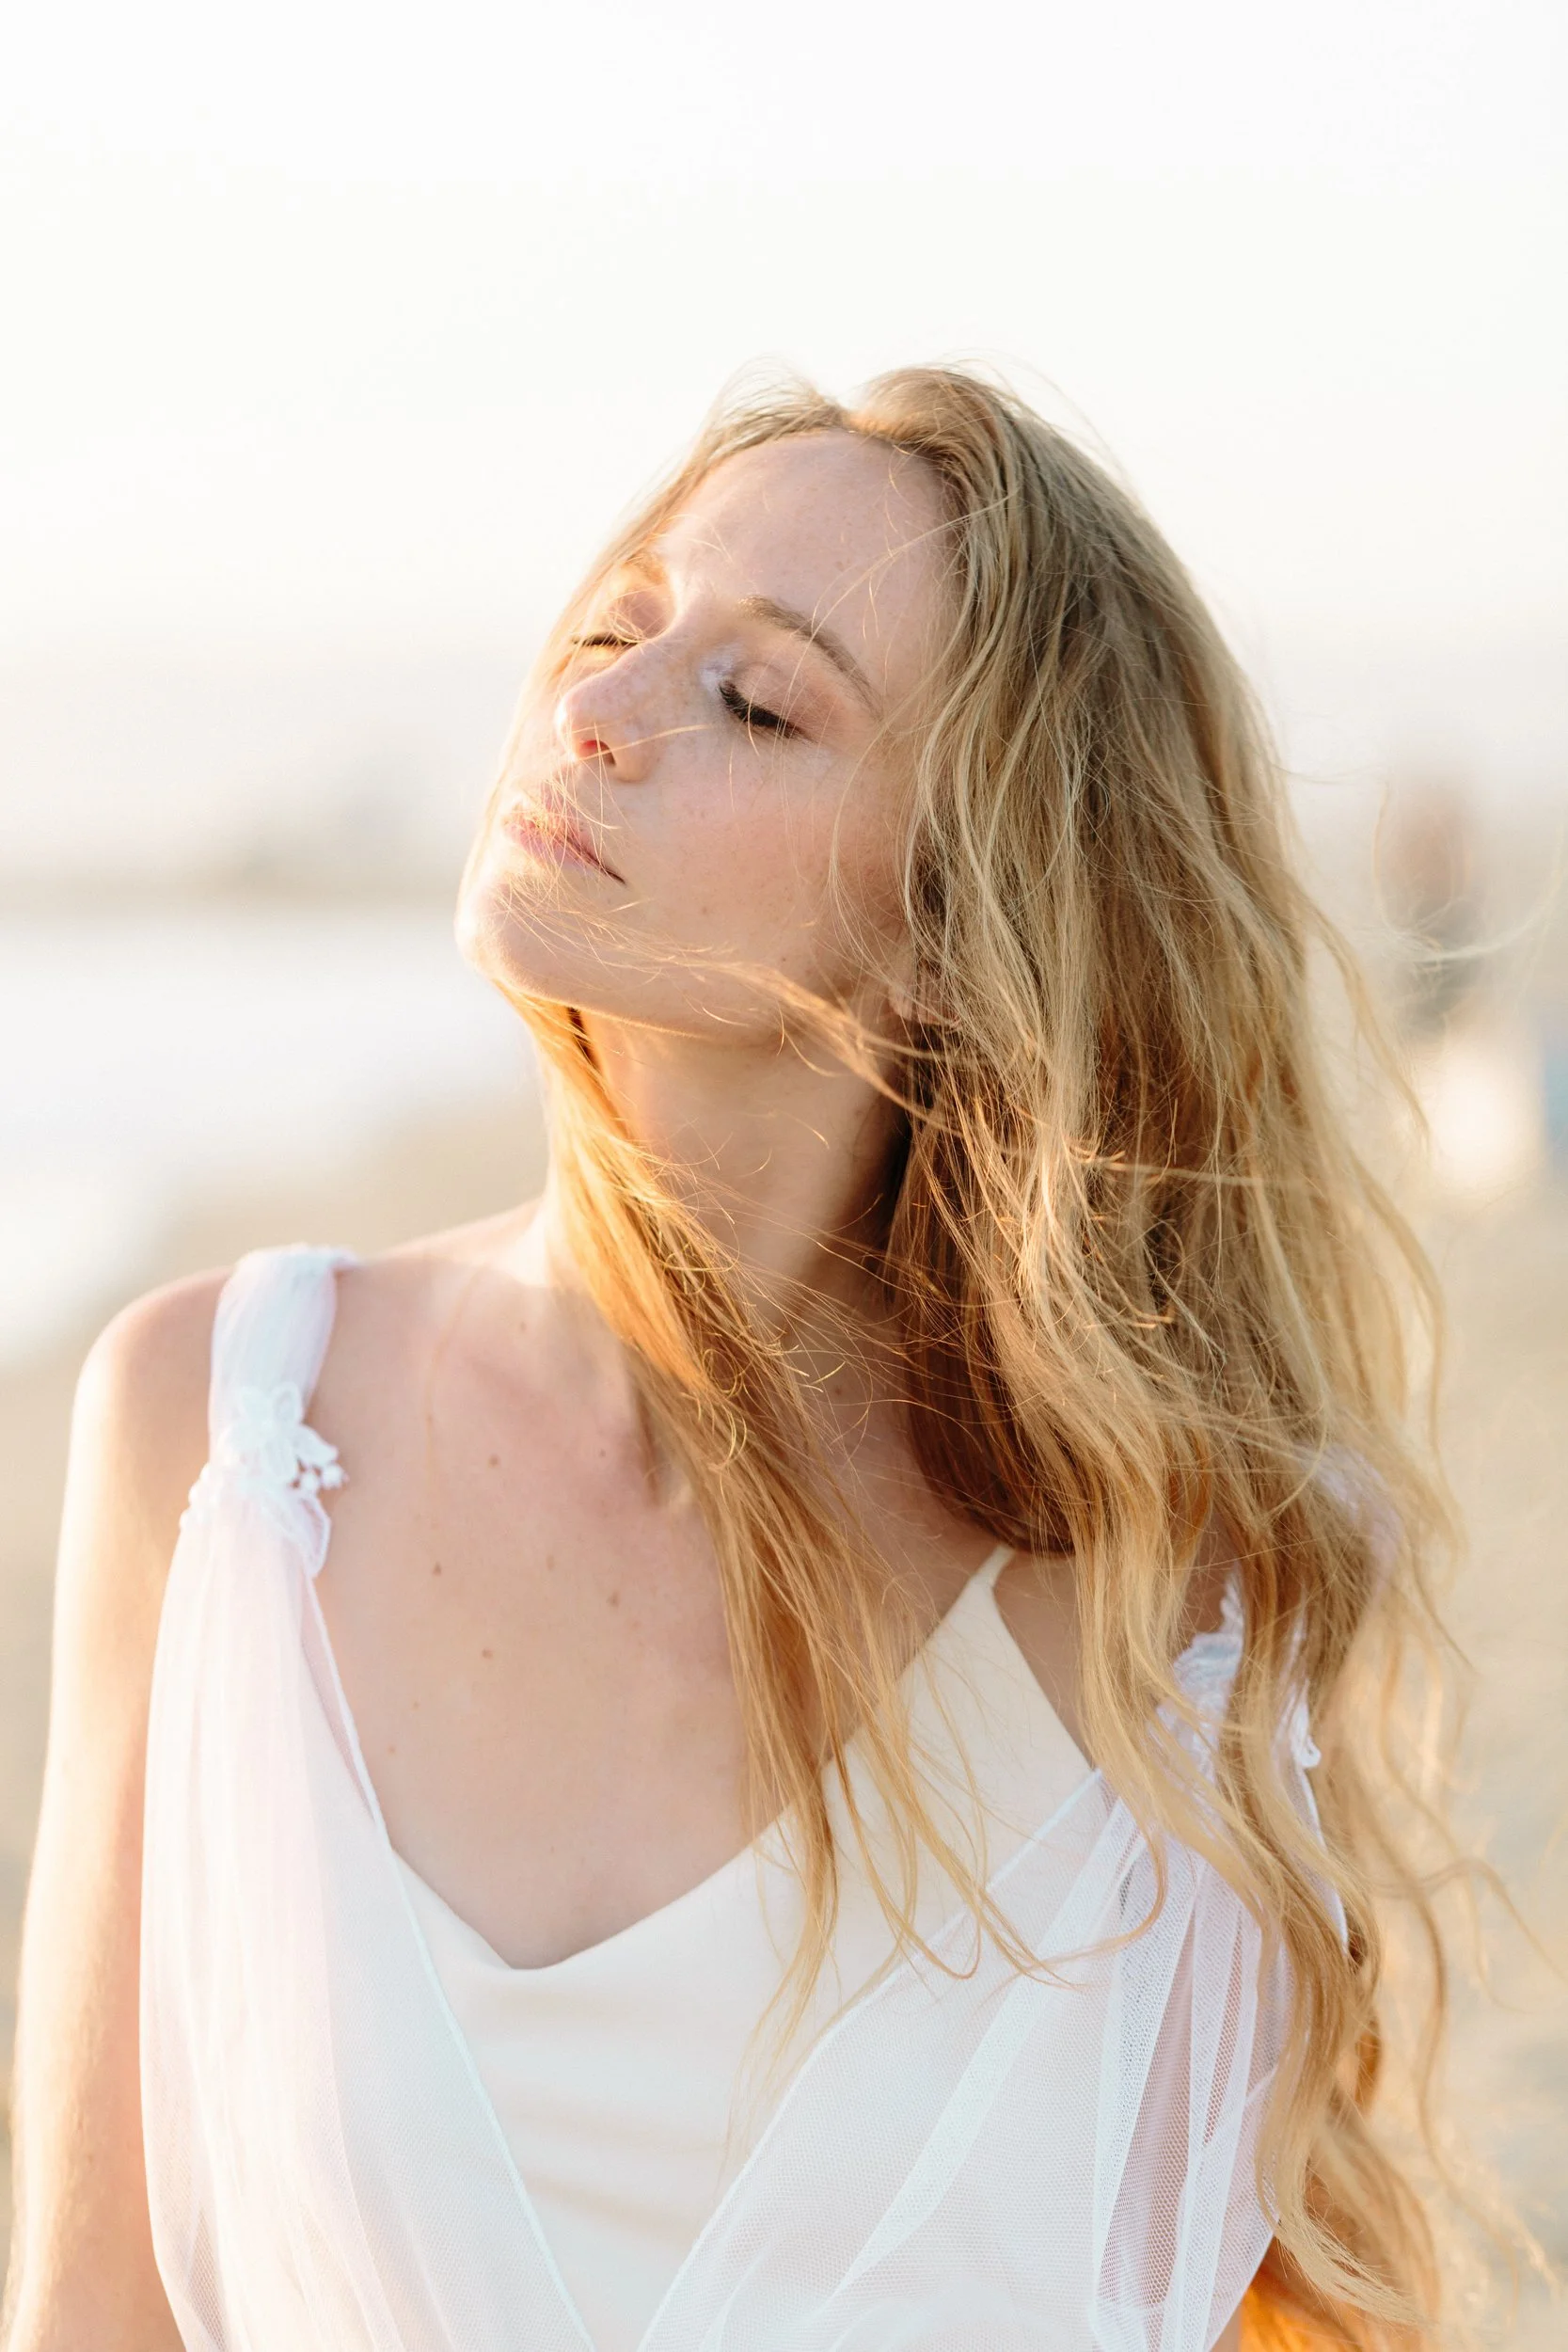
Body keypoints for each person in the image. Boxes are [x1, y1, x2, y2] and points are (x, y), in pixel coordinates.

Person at [3, 368, 1453, 2350]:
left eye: (755, 701)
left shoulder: (1176, 1598)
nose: (595, 710)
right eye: (616, 624)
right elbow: (89, 2313)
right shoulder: (220, 1428)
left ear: (956, 926)